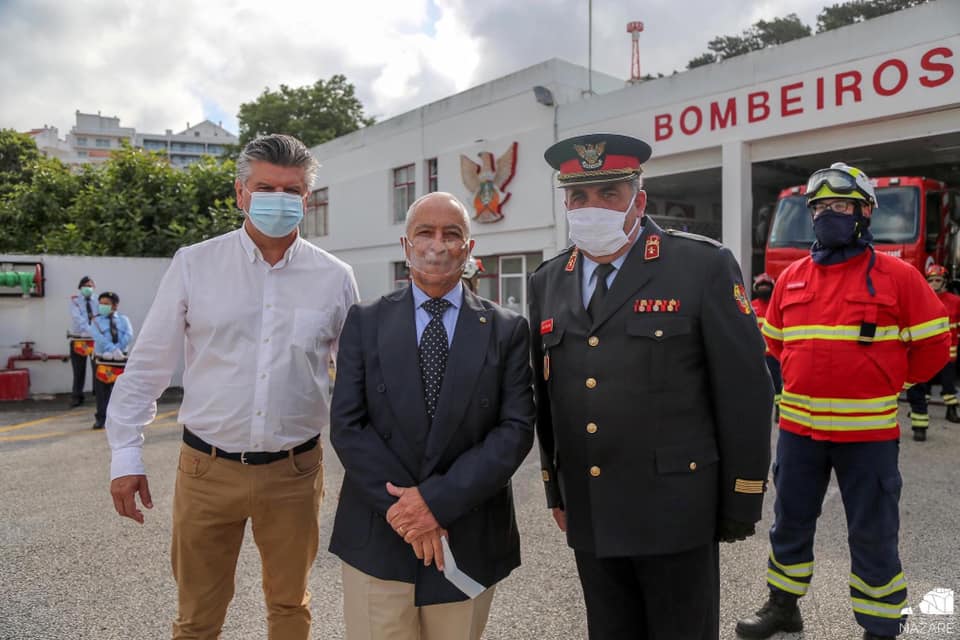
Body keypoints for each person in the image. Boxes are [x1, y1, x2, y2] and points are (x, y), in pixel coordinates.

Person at [106, 134, 359, 640]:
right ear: (241, 193)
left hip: (294, 471)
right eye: (266, 187)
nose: (279, 199)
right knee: (198, 616)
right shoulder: (195, 264)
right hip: (206, 469)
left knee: (291, 607)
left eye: (291, 190)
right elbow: (148, 368)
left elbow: (359, 381)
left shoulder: (334, 278)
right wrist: (125, 457)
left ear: (306, 200)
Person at [530, 133, 773, 640]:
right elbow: (549, 395)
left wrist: (741, 497)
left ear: (638, 201)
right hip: (591, 506)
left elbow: (746, 392)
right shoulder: (549, 280)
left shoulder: (700, 266)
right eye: (578, 197)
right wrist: (557, 485)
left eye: (608, 194)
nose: (590, 207)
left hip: (676, 509)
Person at [737, 163, 950, 640]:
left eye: (839, 206)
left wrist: (885, 379)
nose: (827, 215)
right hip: (797, 435)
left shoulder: (899, 277)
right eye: (819, 208)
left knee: (872, 533)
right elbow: (775, 344)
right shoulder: (791, 277)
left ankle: (880, 627)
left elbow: (934, 348)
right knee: (789, 522)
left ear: (864, 212)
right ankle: (783, 607)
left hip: (867, 437)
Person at [329, 191, 535, 640]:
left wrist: (436, 503)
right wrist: (409, 513)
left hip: (467, 532)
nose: (437, 245)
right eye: (425, 232)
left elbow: (515, 431)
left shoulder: (506, 330)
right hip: (379, 537)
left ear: (469, 248)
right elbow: (348, 426)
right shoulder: (364, 321)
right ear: (405, 245)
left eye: (451, 234)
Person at [906, 264, 960, 439]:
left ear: (945, 282)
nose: (934, 284)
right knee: (920, 388)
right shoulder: (918, 300)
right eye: (931, 280)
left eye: (938, 280)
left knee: (948, 387)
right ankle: (919, 422)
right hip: (921, 355)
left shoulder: (954, 301)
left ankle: (951, 410)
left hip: (948, 356)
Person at [90, 291, 133, 430]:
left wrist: (118, 350)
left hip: (120, 359)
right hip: (103, 359)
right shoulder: (95, 321)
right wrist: (111, 349)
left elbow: (129, 334)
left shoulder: (123, 319)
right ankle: (101, 418)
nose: (102, 306)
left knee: (120, 390)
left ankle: (119, 419)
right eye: (101, 304)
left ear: (115, 306)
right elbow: (98, 337)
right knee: (102, 391)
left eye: (106, 304)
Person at [751, 272, 782, 418]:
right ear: (756, 288)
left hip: (773, 356)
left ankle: (778, 410)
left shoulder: (776, 306)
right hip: (757, 355)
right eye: (761, 285)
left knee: (777, 386)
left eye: (766, 285)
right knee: (757, 386)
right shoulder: (751, 306)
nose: (764, 288)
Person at [68, 276, 96, 407]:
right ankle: (77, 396)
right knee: (79, 370)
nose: (88, 288)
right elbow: (77, 317)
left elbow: (100, 317)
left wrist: (93, 332)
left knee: (97, 368)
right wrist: (88, 329)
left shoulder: (98, 301)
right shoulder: (75, 301)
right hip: (80, 338)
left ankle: (99, 394)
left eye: (90, 286)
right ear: (80, 287)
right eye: (85, 286)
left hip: (95, 340)